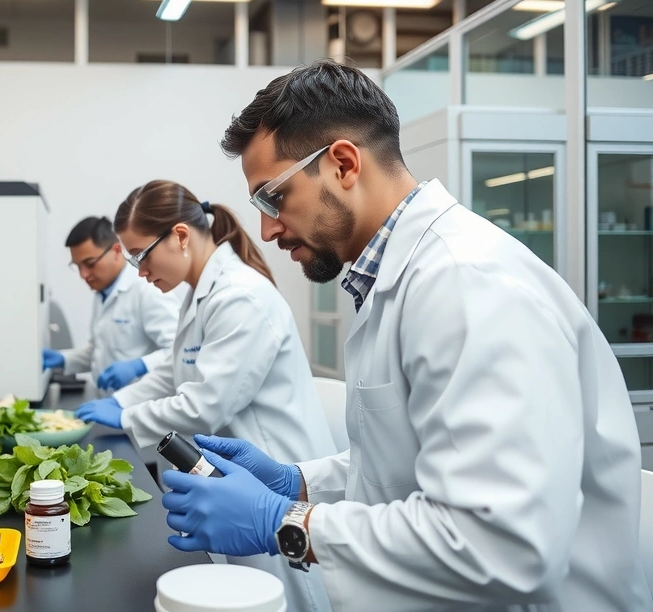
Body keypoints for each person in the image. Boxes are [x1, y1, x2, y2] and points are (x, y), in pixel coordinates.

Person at [160, 59, 653, 612]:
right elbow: (408, 463)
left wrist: (285, 523)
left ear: (344, 163)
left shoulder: (468, 285)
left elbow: (504, 547)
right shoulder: (398, 278)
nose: (267, 229)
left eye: (272, 198)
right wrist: (293, 481)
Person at [76, 181, 336, 612]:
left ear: (180, 235)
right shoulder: (201, 294)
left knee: (284, 598)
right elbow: (175, 370)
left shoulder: (240, 296)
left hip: (272, 486)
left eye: (142, 255)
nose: (139, 271)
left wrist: (126, 418)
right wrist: (122, 403)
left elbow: (204, 403)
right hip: (231, 484)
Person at [43, 216, 180, 394]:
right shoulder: (103, 293)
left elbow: (179, 349)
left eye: (90, 264)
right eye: (77, 266)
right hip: (110, 405)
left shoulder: (147, 290)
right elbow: (100, 350)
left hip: (142, 409)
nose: (83, 275)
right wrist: (63, 358)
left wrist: (140, 366)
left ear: (116, 251)